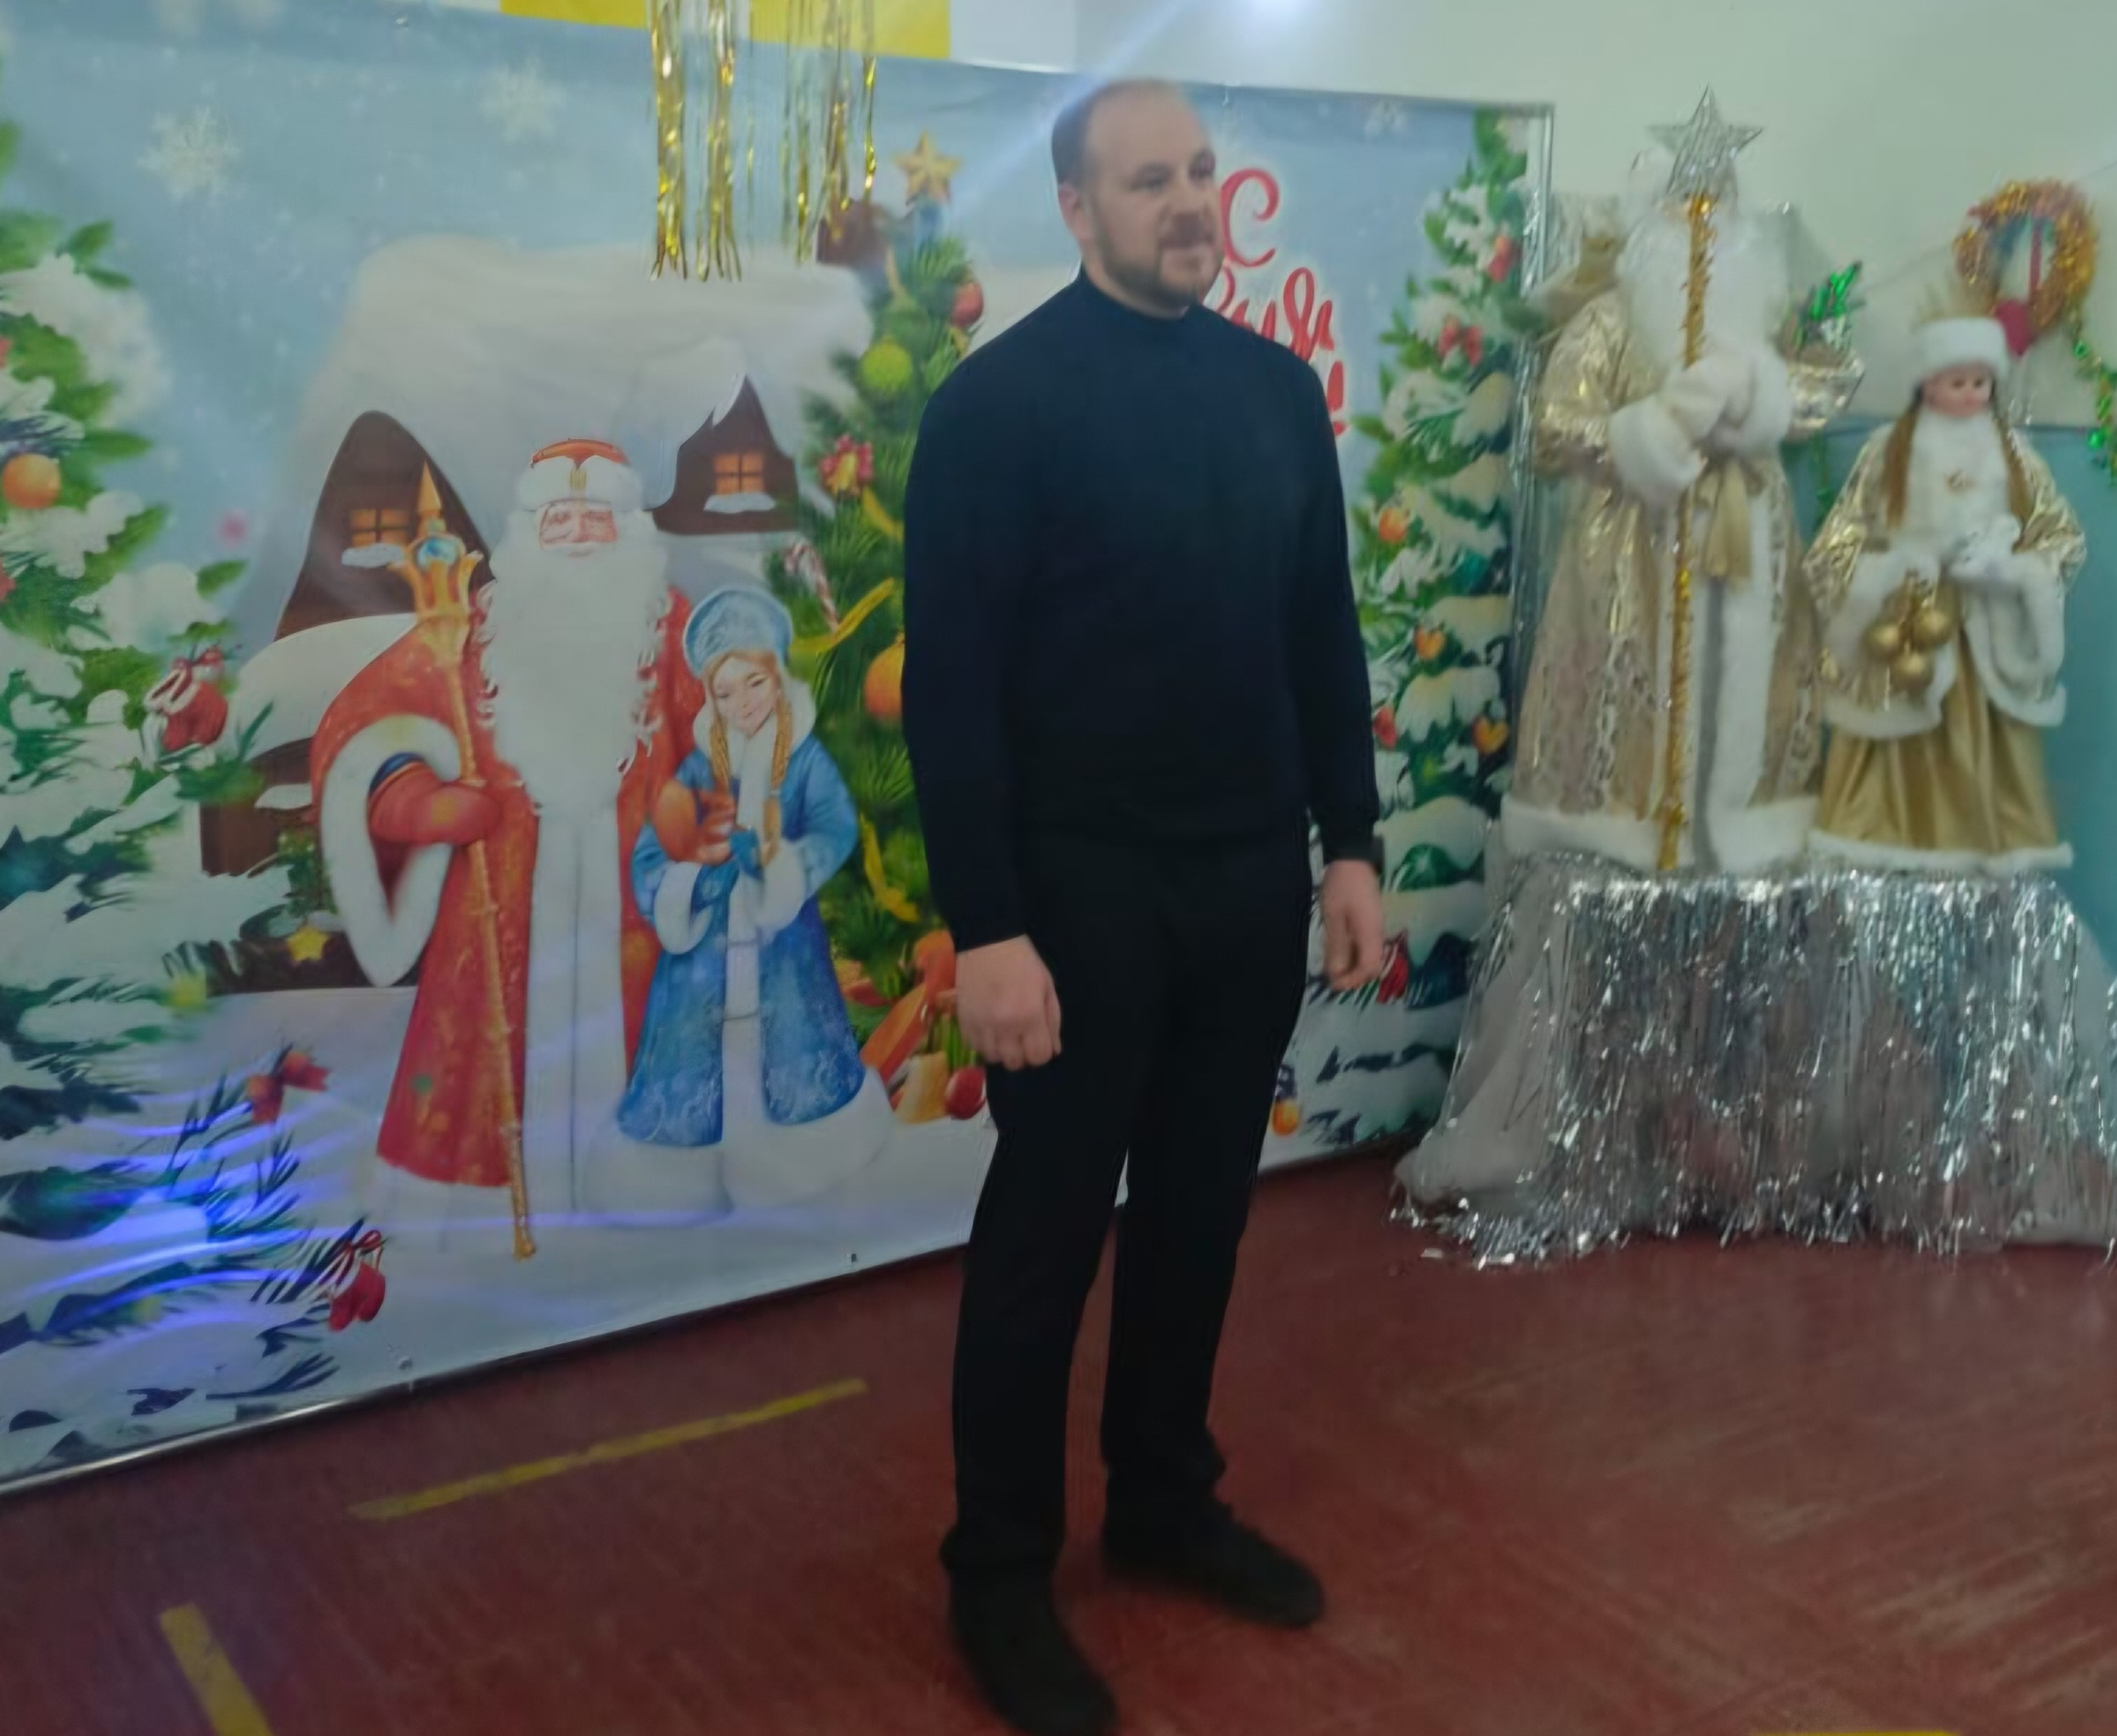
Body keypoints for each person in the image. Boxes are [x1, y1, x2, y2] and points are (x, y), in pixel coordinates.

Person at [902, 78, 1386, 1736]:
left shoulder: (1275, 395)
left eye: (1198, 173)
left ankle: (1165, 1500)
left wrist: (1348, 844)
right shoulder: (995, 412)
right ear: (1074, 208)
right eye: (1145, 180)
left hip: (1246, 880)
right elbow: (950, 699)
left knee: (1197, 1214)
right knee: (1044, 1238)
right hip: (1074, 900)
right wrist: (987, 928)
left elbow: (1320, 632)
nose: (1186, 202)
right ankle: (998, 1573)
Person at [310, 439, 714, 1247]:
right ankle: (491, 1214)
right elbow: (366, 722)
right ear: (529, 532)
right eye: (558, 518)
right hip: (500, 895)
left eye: (595, 518)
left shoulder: (667, 624)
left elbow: (720, 730)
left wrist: (699, 804)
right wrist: (419, 802)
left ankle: (638, 1200)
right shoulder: (468, 629)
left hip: (634, 891)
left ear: (628, 529)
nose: (577, 536)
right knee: (488, 1058)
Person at [1503, 123, 1833, 879]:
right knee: (1634, 690)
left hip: (1748, 541)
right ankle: (1625, 820)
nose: (1701, 230)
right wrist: (1644, 435)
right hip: (1632, 545)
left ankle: (1743, 820)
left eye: (1717, 212)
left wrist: (1760, 400)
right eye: (1684, 211)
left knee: (1747, 689)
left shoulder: (1767, 325)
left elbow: (1825, 387)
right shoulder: (1611, 320)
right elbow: (1556, 423)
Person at [616, 586, 893, 1209]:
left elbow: (835, 827)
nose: (742, 703)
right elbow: (651, 856)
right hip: (701, 975)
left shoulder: (805, 759)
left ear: (777, 677)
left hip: (785, 960)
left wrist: (780, 867)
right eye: (725, 692)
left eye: (754, 684)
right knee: (704, 1079)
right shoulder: (698, 769)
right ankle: (690, 1182)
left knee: (786, 1074)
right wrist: (697, 878)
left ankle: (791, 1179)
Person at [1805, 300, 2087, 874]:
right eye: (1958, 382)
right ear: (1928, 383)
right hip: (1905, 625)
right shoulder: (1888, 452)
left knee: (1988, 736)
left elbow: (2062, 538)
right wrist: (1887, 570)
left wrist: (2014, 571)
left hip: (1987, 630)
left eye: (1982, 383)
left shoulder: (2015, 457)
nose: (1971, 394)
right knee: (1897, 729)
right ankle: (1889, 835)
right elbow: (1839, 541)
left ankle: (1985, 840)